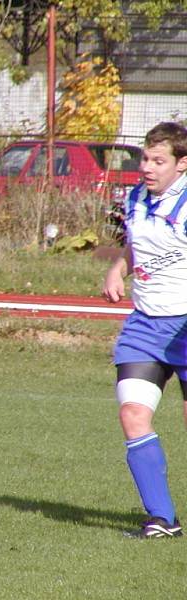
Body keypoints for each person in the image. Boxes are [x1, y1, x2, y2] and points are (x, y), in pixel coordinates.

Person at [103, 121, 187, 539]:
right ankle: (162, 519)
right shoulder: (135, 197)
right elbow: (133, 242)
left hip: (185, 326)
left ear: (182, 164)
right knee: (133, 414)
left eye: (159, 160)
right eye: (145, 158)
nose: (147, 168)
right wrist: (118, 268)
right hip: (144, 326)